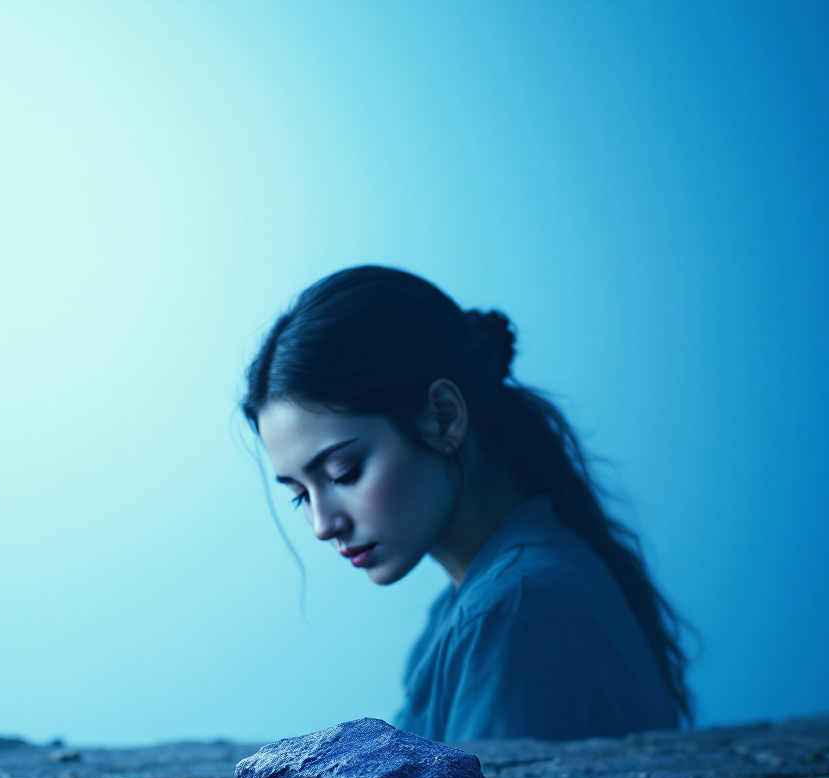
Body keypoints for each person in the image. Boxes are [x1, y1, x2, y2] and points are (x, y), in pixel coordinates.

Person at [242, 266, 690, 742]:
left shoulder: (511, 612)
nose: (321, 525)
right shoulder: (486, 600)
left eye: (343, 473)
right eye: (299, 497)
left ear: (444, 416)